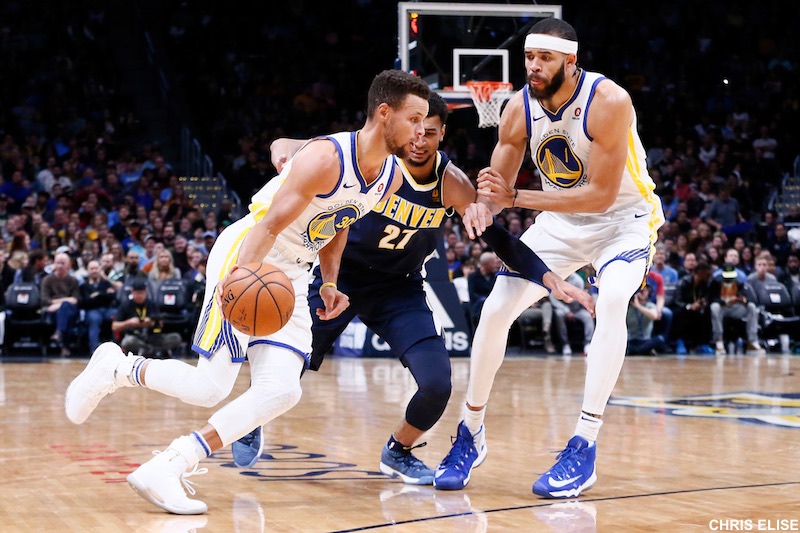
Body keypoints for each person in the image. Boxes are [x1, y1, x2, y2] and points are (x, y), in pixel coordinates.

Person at [64, 69, 437, 515]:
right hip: (251, 256)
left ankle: (171, 464)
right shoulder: (327, 157)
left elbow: (341, 221)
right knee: (209, 387)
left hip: (293, 274)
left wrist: (330, 282)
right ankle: (119, 368)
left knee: (282, 389)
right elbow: (269, 225)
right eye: (414, 119)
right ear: (384, 112)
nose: (421, 131)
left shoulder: (390, 174)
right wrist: (238, 280)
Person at [230, 93, 594, 484]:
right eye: (416, 131)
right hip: (341, 278)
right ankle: (252, 416)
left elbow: (500, 240)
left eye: (430, 133)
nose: (420, 140)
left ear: (442, 135)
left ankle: (398, 451)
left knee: (437, 385)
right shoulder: (379, 162)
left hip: (399, 289)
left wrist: (549, 277)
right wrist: (283, 145)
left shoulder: (452, 183)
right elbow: (316, 148)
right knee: (288, 365)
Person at [436, 18, 664, 497]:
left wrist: (516, 198)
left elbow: (600, 196)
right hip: (561, 222)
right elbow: (498, 190)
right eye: (529, 57)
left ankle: (584, 443)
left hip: (622, 220)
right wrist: (479, 205)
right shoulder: (517, 107)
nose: (534, 66)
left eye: (544, 58)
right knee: (495, 310)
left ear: (570, 61)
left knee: (613, 301)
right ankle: (470, 432)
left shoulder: (609, 100)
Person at [112, 278, 182, 357]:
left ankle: (150, 350)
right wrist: (129, 323)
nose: (140, 296)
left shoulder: (152, 304)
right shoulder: (125, 305)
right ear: (132, 292)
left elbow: (160, 324)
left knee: (176, 337)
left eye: (142, 293)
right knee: (127, 342)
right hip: (135, 338)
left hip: (152, 337)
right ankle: (152, 350)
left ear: (146, 292)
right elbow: (114, 327)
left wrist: (151, 322)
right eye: (137, 293)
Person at [710, 263, 765, 355]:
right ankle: (718, 341)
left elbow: (750, 298)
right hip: (722, 308)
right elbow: (711, 298)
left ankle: (752, 342)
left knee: (751, 307)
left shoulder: (739, 281)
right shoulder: (716, 281)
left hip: (736, 308)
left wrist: (743, 300)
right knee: (714, 307)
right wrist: (725, 301)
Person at [41, 252, 80, 357]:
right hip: (51, 311)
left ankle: (59, 333)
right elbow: (44, 299)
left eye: (62, 263)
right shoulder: (47, 280)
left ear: (68, 265)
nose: (59, 266)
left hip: (69, 310)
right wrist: (65, 301)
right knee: (65, 312)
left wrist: (60, 304)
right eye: (57, 263)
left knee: (65, 309)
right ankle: (65, 346)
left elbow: (76, 300)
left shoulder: (73, 280)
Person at [549, 272, 594, 356]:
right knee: (558, 314)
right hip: (562, 309)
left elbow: (581, 297)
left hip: (577, 309)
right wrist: (566, 311)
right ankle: (565, 344)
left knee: (588, 316)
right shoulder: (554, 278)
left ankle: (588, 343)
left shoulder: (578, 280)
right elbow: (553, 299)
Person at [79, 260, 118, 352]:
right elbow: (86, 302)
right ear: (88, 270)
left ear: (100, 269)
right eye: (92, 269)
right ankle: (94, 350)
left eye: (96, 268)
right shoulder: (84, 286)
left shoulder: (106, 283)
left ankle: (117, 347)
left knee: (116, 316)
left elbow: (112, 296)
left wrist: (97, 295)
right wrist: (104, 295)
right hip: (92, 310)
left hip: (107, 309)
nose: (94, 271)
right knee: (95, 319)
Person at [626, 283, 667, 355]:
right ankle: (641, 350)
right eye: (640, 291)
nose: (642, 293)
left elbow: (655, 316)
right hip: (631, 340)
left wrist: (638, 306)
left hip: (645, 340)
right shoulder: (628, 307)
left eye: (645, 290)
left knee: (660, 339)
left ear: (649, 292)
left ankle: (636, 351)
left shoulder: (650, 306)